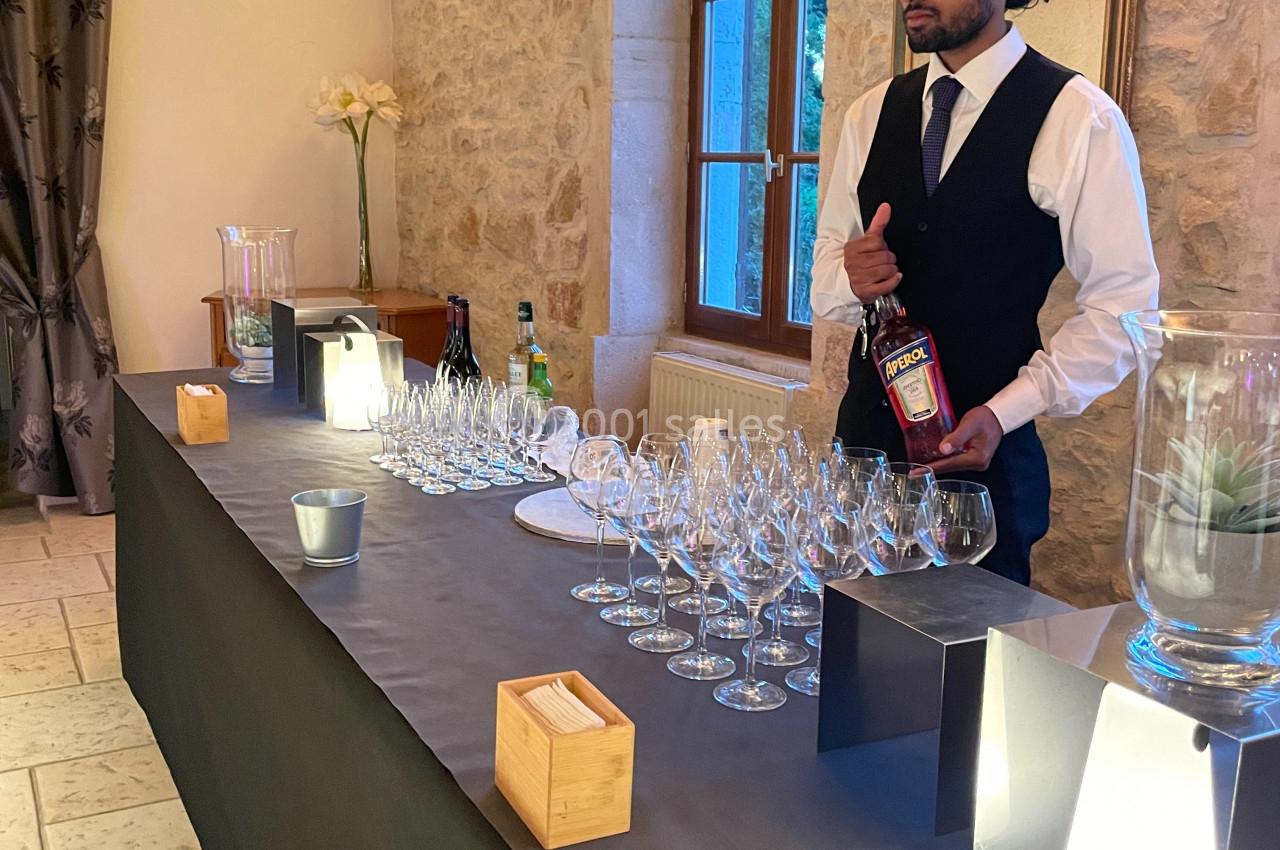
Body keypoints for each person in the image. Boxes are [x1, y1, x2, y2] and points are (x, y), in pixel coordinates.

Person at [811, 0, 1159, 585]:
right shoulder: (870, 113)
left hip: (985, 475)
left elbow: (1124, 307)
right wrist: (850, 275)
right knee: (846, 656)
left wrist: (1005, 412)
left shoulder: (1078, 116)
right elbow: (825, 278)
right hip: (863, 458)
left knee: (966, 667)